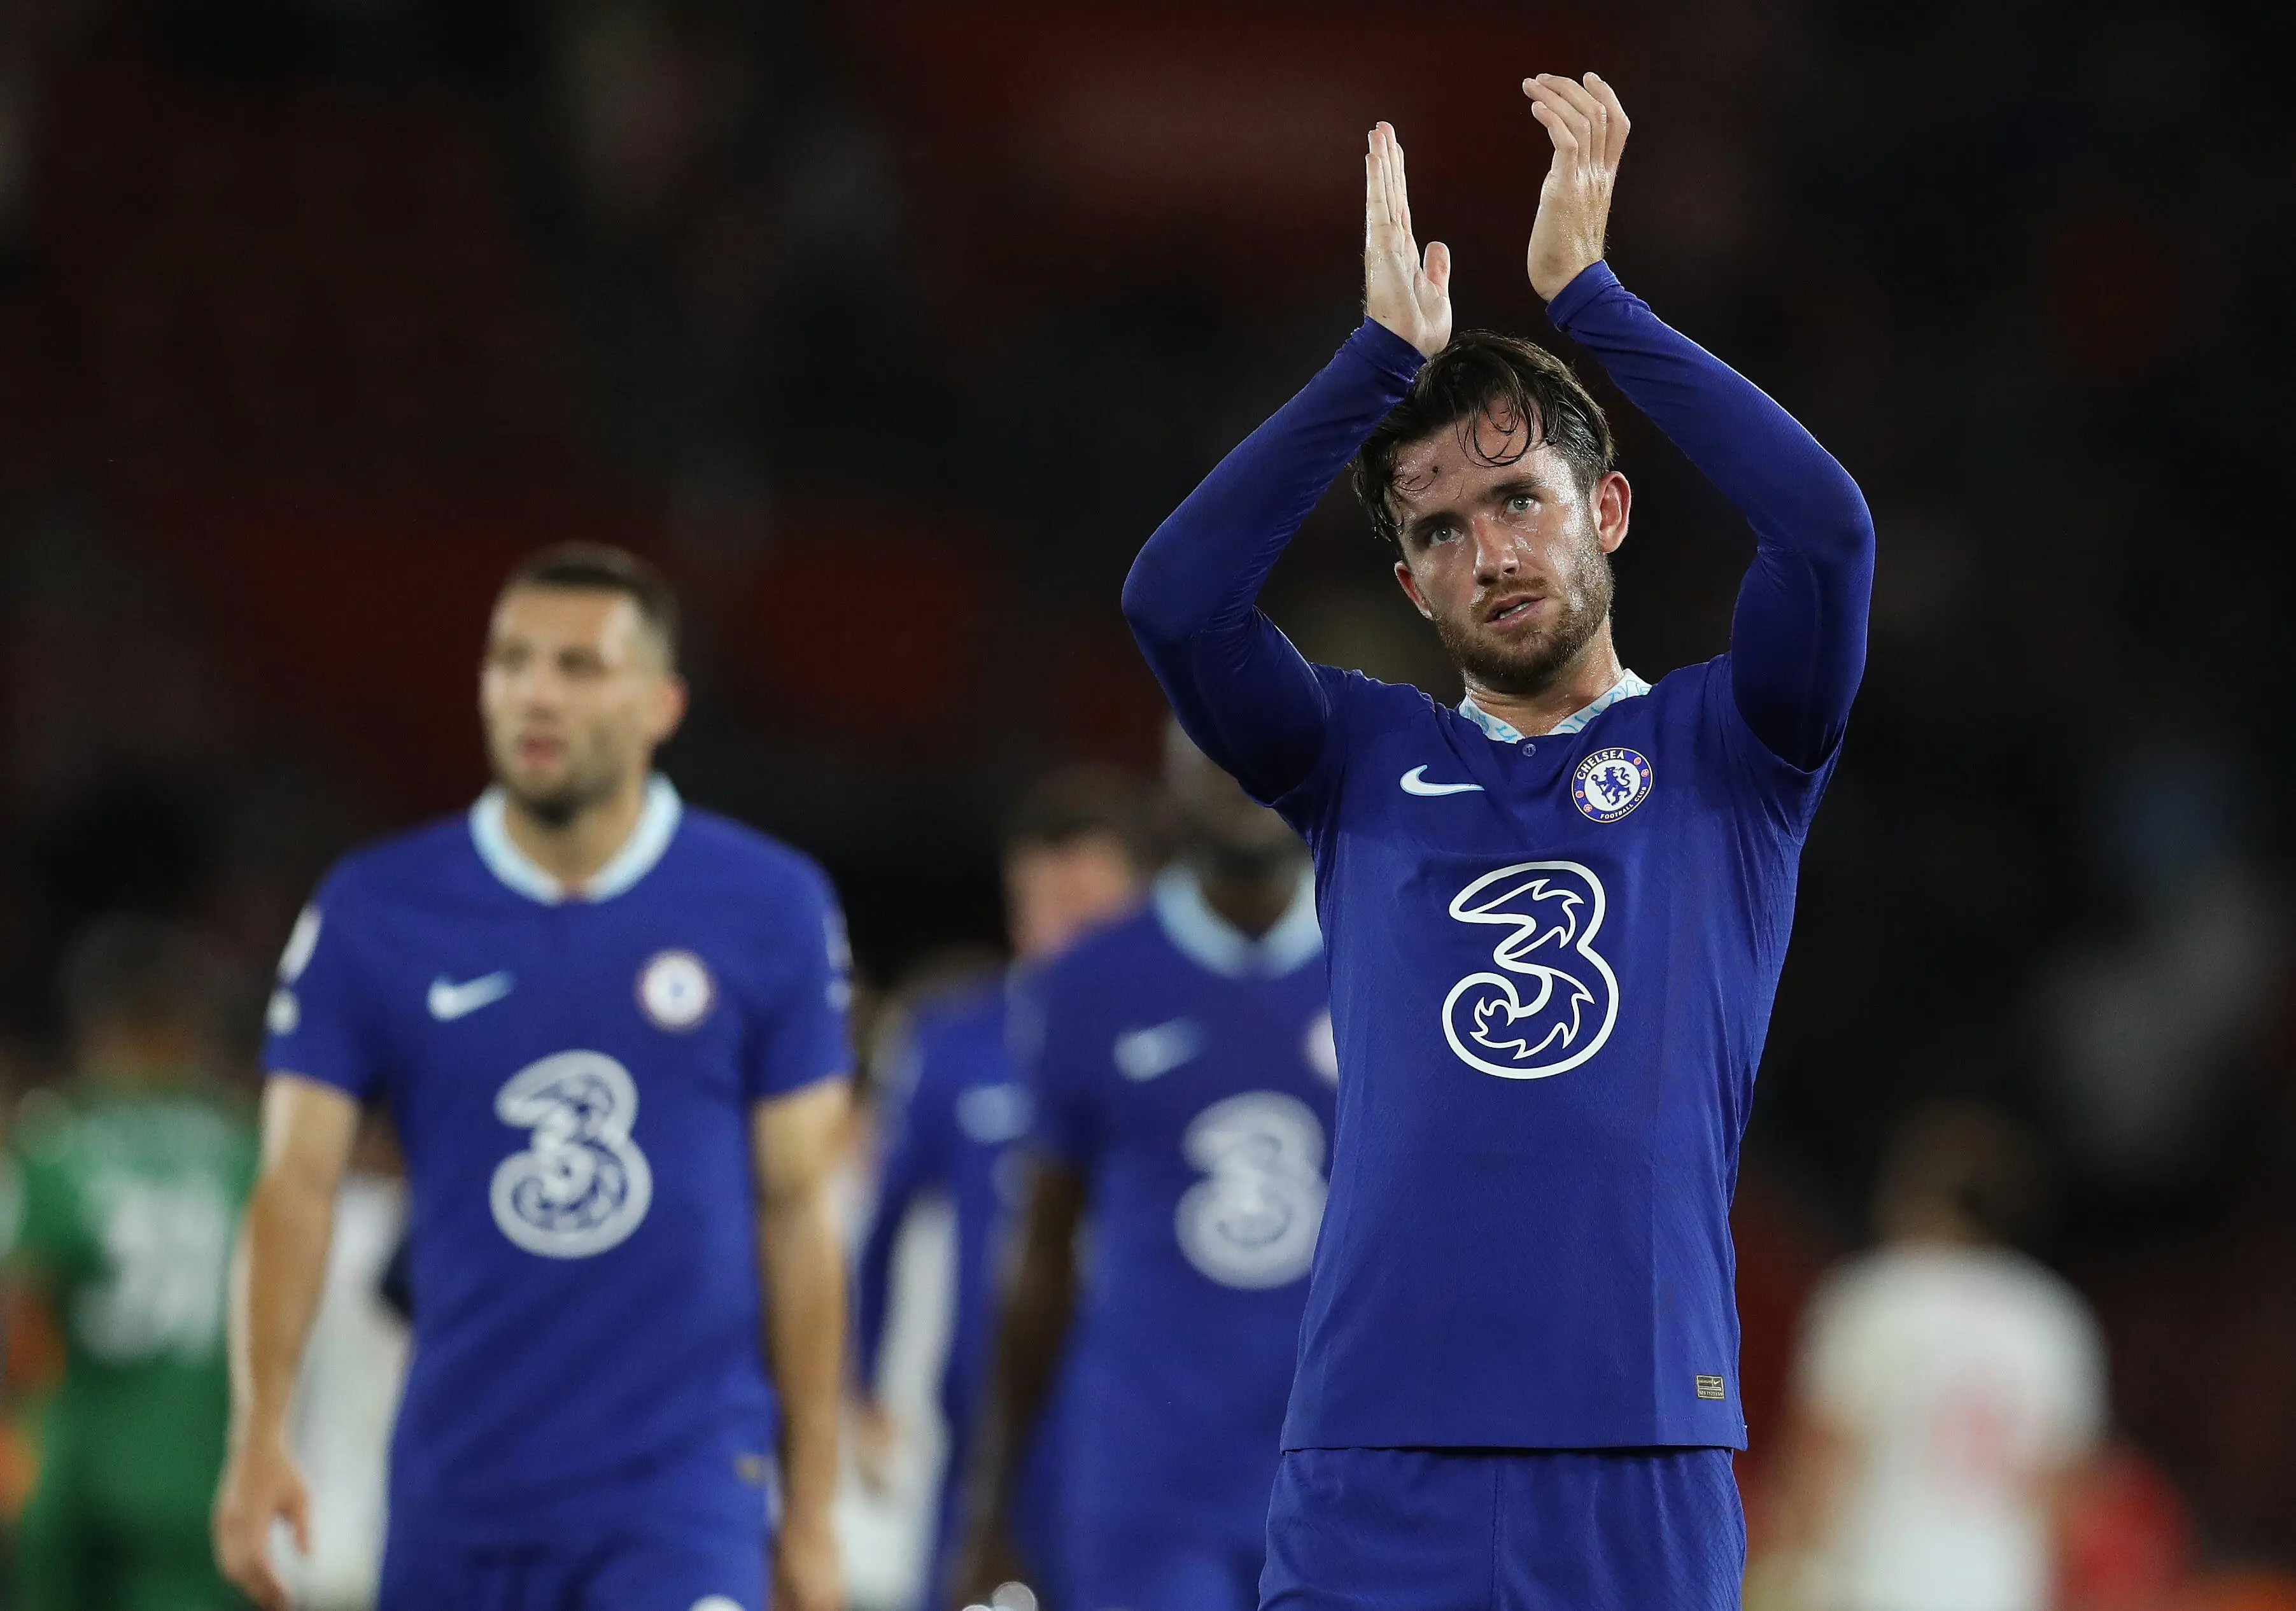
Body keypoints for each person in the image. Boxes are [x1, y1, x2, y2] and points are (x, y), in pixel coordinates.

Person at [1121, 75, 1874, 1607]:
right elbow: (1176, 602)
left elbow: (1826, 532)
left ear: (1605, 508)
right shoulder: (1358, 758)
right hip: (1374, 1451)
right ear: (1408, 588)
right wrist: (1371, 363)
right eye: (1440, 529)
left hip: (1640, 1442)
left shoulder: (1732, 748)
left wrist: (1592, 301)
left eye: (1518, 498)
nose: (1491, 551)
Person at [211, 544, 854, 1611]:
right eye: (509, 661)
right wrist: (258, 1433)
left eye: (577, 666)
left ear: (661, 703)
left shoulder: (769, 904)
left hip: (684, 1489)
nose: (534, 694)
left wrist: (815, 1511)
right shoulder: (376, 908)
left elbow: (799, 1215)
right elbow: (294, 1184)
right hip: (458, 1488)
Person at [959, 724, 1338, 1611]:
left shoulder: (1396, 953)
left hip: (1345, 1463)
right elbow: (1042, 1249)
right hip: (1148, 1469)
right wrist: (994, 1502)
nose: (1241, 768)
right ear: (1171, 783)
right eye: (1215, 738)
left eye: (1262, 736)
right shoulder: (1090, 979)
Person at [851, 768, 1150, 1610]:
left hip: (1146, 1425)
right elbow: (876, 1229)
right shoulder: (953, 1042)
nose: (1067, 934)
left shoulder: (1191, 1040)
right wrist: (862, 1382)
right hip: (985, 1428)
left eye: (1089, 908)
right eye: (1047, 906)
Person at [3, 917, 257, 1611]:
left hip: (85, 1479)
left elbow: (22, 1316)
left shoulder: (54, 1139)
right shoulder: (250, 1145)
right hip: (219, 1471)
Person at [1761, 1102, 2107, 1611]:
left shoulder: (1875, 1294)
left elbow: (1820, 1462)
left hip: (1867, 1582)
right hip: (1996, 1594)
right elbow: (2065, 1501)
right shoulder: (2053, 1321)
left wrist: (1779, 1571)